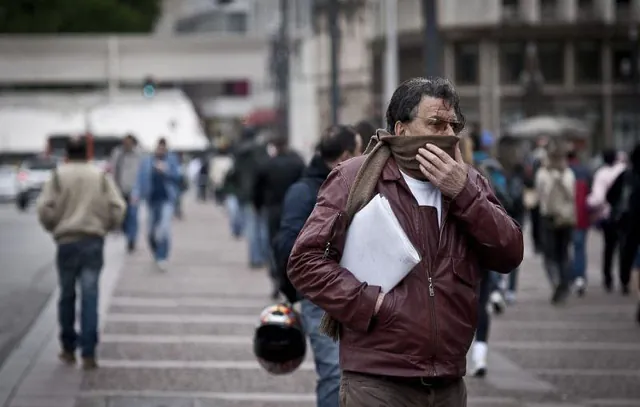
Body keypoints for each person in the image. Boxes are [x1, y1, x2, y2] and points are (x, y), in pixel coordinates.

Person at [287, 77, 523, 406]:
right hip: (378, 379)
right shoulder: (354, 178)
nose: (447, 134)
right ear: (401, 129)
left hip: (448, 381)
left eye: (453, 125)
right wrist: (371, 304)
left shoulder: (469, 181)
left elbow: (510, 252)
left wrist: (464, 194)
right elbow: (304, 262)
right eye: (435, 123)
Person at [273, 125, 362, 407]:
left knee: (357, 375)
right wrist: (296, 292)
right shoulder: (305, 191)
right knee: (335, 374)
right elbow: (287, 246)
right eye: (360, 151)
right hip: (320, 297)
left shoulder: (355, 185)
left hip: (356, 292)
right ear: (346, 155)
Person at [36, 138, 126, 370]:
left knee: (67, 295)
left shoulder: (58, 176)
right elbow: (118, 206)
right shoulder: (99, 176)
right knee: (91, 295)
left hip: (66, 241)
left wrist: (53, 226)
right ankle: (88, 351)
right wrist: (107, 226)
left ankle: (68, 347)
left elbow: (44, 208)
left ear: (66, 154)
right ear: (87, 153)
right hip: (92, 240)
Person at [253, 135, 305, 299]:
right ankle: (292, 278)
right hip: (293, 209)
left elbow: (257, 189)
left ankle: (277, 278)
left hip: (273, 209)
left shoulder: (267, 165)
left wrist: (259, 205)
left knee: (274, 246)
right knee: (293, 245)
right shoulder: (297, 163)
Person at [131, 138, 182, 271]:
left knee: (164, 229)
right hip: (151, 200)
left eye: (163, 148)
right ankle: (156, 251)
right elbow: (140, 178)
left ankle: (162, 256)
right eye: (159, 148)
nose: (160, 150)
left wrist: (165, 170)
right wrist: (136, 193)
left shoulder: (171, 160)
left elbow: (178, 177)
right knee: (151, 232)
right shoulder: (147, 161)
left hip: (167, 199)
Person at [535, 140, 576, 304]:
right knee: (564, 253)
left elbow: (540, 195)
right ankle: (565, 284)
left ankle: (556, 281)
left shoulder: (542, 174)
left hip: (549, 218)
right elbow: (572, 195)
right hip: (566, 219)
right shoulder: (568, 174)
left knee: (549, 255)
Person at [587, 149, 627, 292]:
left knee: (609, 248)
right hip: (625, 216)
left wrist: (588, 204)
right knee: (624, 248)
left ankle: (608, 278)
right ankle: (624, 279)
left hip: (607, 216)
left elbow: (597, 198)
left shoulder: (601, 174)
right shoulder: (623, 170)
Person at [607, 144, 640, 297]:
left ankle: (625, 280)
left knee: (626, 251)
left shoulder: (627, 175)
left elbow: (610, 195)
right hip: (629, 221)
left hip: (629, 221)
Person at [109, 134, 142, 253]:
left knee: (133, 215)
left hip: (134, 190)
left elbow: (142, 172)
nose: (126, 144)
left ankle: (131, 240)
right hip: (119, 189)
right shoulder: (117, 153)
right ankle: (126, 232)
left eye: (129, 142)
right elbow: (113, 169)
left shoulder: (139, 155)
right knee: (122, 215)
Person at [567, 149, 591, 296]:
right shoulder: (585, 172)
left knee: (566, 248)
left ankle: (570, 277)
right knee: (580, 248)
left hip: (567, 216)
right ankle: (580, 277)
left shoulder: (564, 172)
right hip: (582, 216)